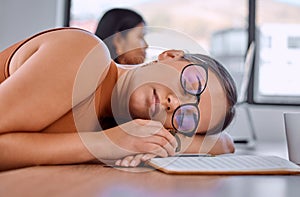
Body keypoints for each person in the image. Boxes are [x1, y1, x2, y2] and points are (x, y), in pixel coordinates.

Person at [0, 27, 237, 171]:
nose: (174, 103)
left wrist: (152, 142)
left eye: (186, 118)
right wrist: (106, 144)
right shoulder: (87, 55)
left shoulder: (112, 121)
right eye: (191, 83)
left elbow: (224, 144)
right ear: (170, 55)